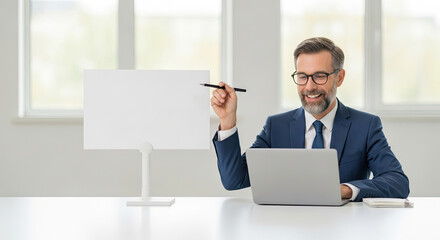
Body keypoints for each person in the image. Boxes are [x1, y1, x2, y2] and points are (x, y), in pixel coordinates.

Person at [210, 37, 409, 201]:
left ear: (339, 77)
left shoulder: (365, 126)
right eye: (302, 76)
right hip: (288, 228)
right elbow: (234, 180)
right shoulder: (276, 126)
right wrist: (227, 120)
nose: (309, 86)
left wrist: (345, 190)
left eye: (320, 76)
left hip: (345, 228)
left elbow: (398, 182)